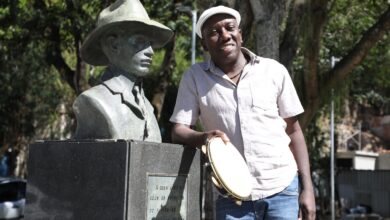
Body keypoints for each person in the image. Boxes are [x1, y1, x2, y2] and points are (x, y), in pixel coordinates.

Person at [169, 5, 316, 220]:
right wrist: (204, 138)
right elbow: (178, 130)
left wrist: (308, 190)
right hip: (232, 198)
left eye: (230, 28)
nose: (224, 35)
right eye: (214, 32)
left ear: (240, 35)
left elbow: (294, 132)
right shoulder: (195, 77)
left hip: (282, 189)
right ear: (204, 44)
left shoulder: (273, 71)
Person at [72, 0, 173, 142]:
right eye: (140, 41)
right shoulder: (94, 101)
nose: (150, 52)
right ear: (113, 44)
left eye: (150, 44)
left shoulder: (147, 106)